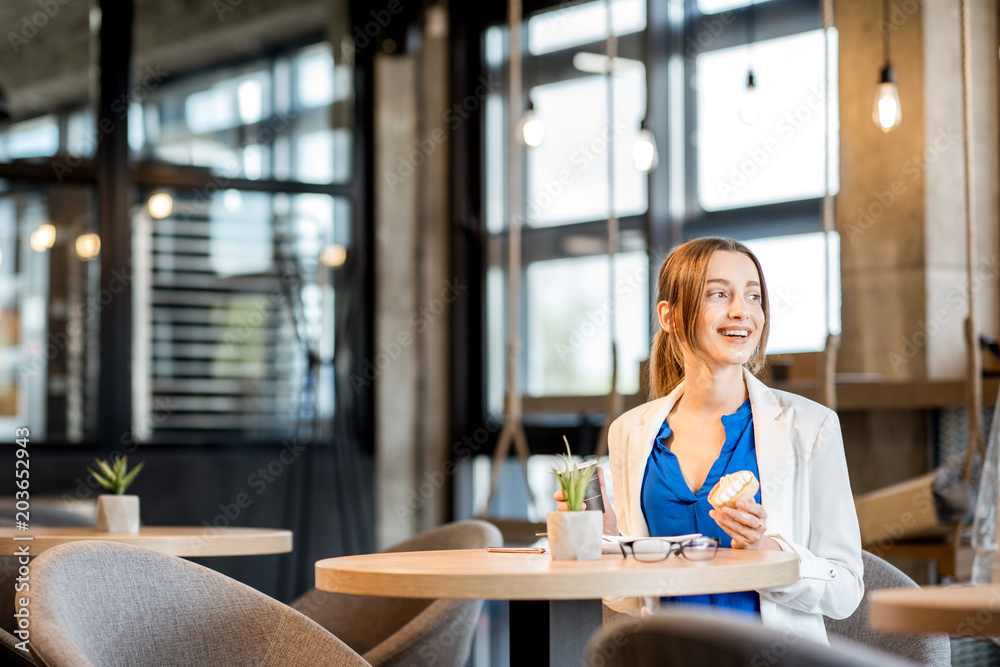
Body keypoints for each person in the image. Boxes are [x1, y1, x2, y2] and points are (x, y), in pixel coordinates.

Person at [554, 237, 863, 644]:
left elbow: (846, 590)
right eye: (719, 293)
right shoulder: (631, 431)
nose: (743, 311)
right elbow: (628, 599)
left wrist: (764, 549)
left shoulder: (811, 426)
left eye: (754, 296)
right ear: (670, 316)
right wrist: (607, 538)